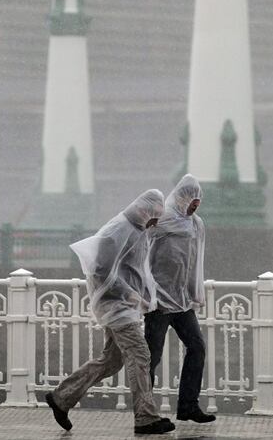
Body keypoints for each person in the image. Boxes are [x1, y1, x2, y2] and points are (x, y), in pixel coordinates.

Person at [45, 189, 175, 435]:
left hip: (122, 306)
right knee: (140, 354)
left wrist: (143, 296)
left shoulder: (137, 229)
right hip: (116, 307)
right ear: (143, 209)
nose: (156, 222)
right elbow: (101, 269)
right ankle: (145, 417)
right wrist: (128, 294)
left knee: (113, 360)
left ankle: (62, 397)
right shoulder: (119, 230)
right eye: (154, 216)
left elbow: (134, 268)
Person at [144, 174, 216, 424]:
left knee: (196, 347)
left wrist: (195, 292)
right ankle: (146, 412)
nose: (195, 206)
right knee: (151, 357)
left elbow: (195, 261)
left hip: (182, 300)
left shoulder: (196, 224)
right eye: (192, 201)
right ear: (181, 197)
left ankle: (188, 406)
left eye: (198, 203)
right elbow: (140, 247)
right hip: (159, 301)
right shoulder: (161, 220)